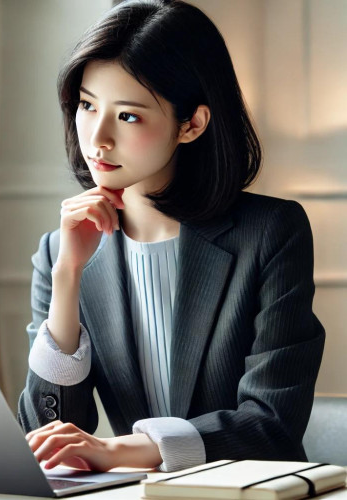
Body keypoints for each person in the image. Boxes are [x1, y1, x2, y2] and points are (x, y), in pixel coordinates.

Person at [17, 0, 325, 473]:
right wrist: (67, 279)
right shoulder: (61, 251)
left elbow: (272, 423)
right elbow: (49, 431)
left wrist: (121, 451)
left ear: (192, 124)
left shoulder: (270, 233)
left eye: (128, 116)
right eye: (86, 105)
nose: (97, 137)